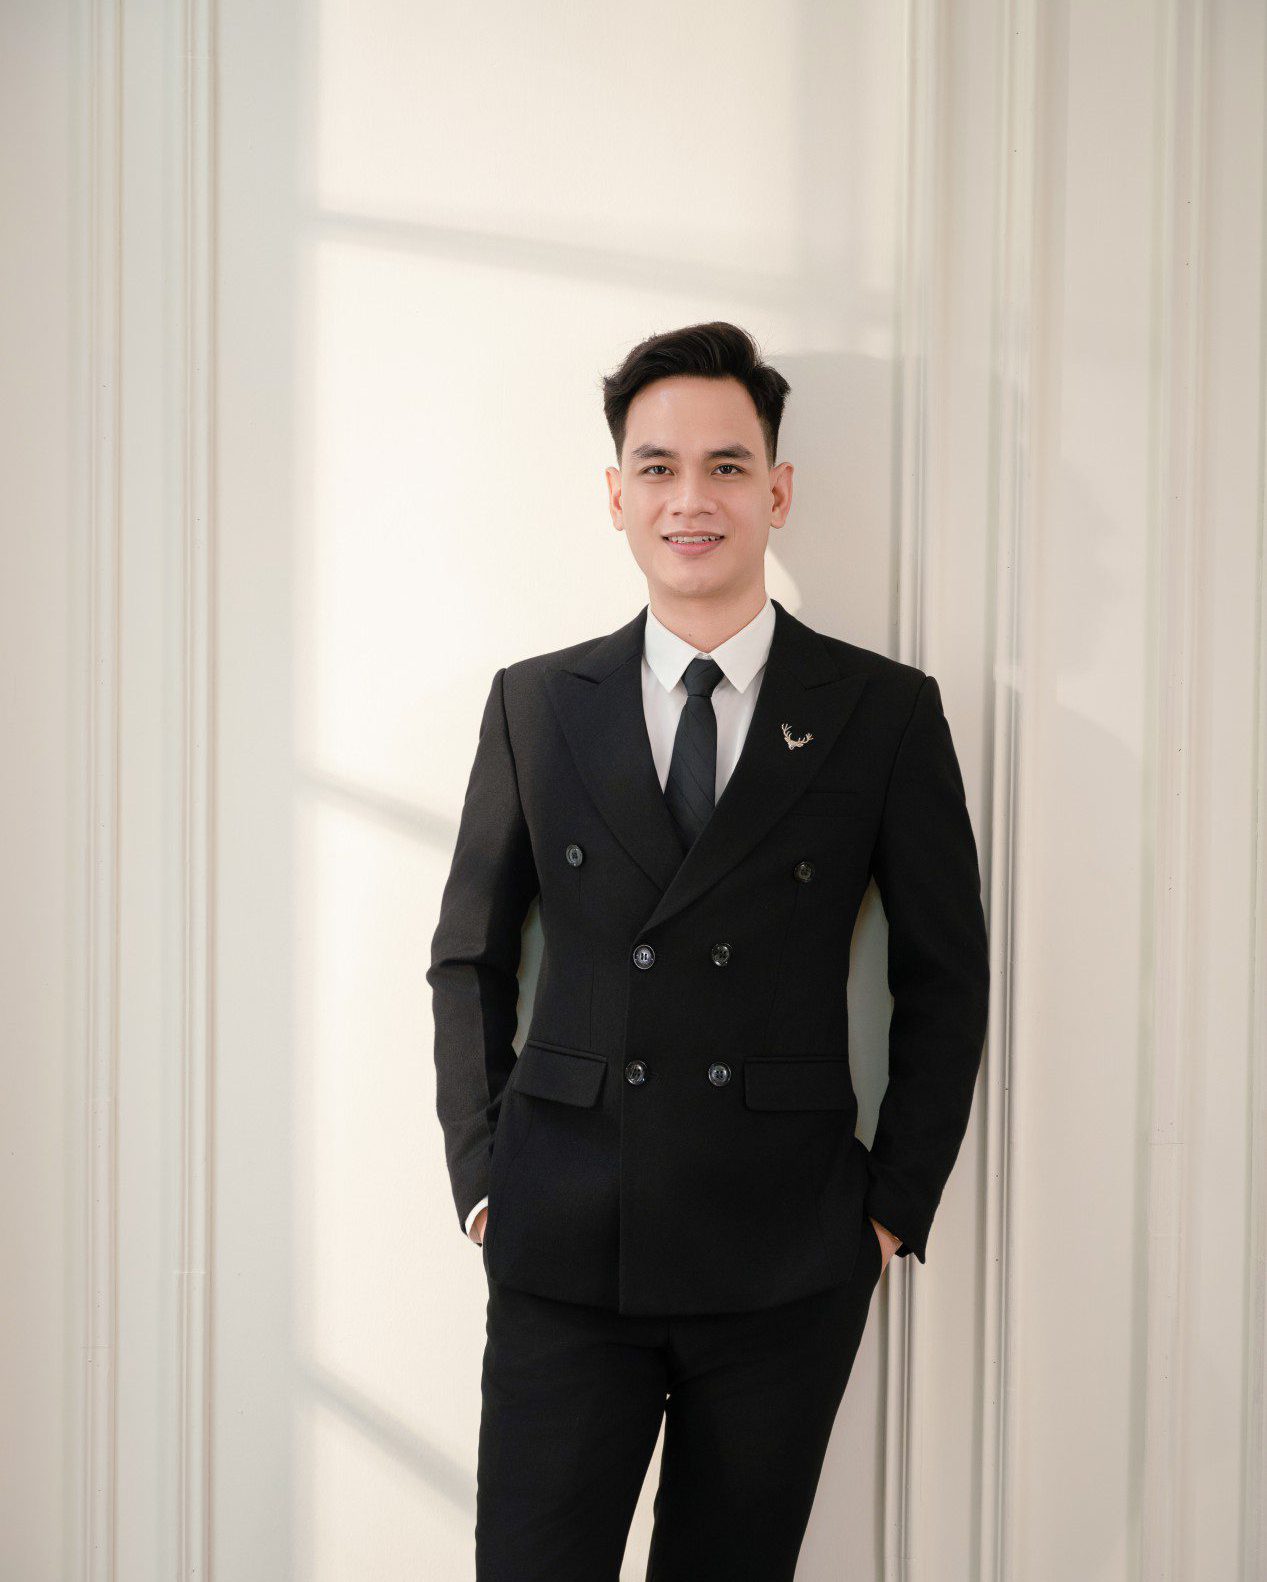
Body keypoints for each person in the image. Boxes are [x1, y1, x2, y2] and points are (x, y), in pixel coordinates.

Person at [427, 320, 991, 1581]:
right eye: (659, 467)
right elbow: (467, 956)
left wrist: (888, 1209)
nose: (692, 498)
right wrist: (482, 1177)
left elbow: (946, 975)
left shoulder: (882, 712)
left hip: (785, 1252)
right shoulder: (535, 703)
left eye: (727, 466)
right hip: (562, 1240)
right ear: (616, 495)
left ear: (775, 491)